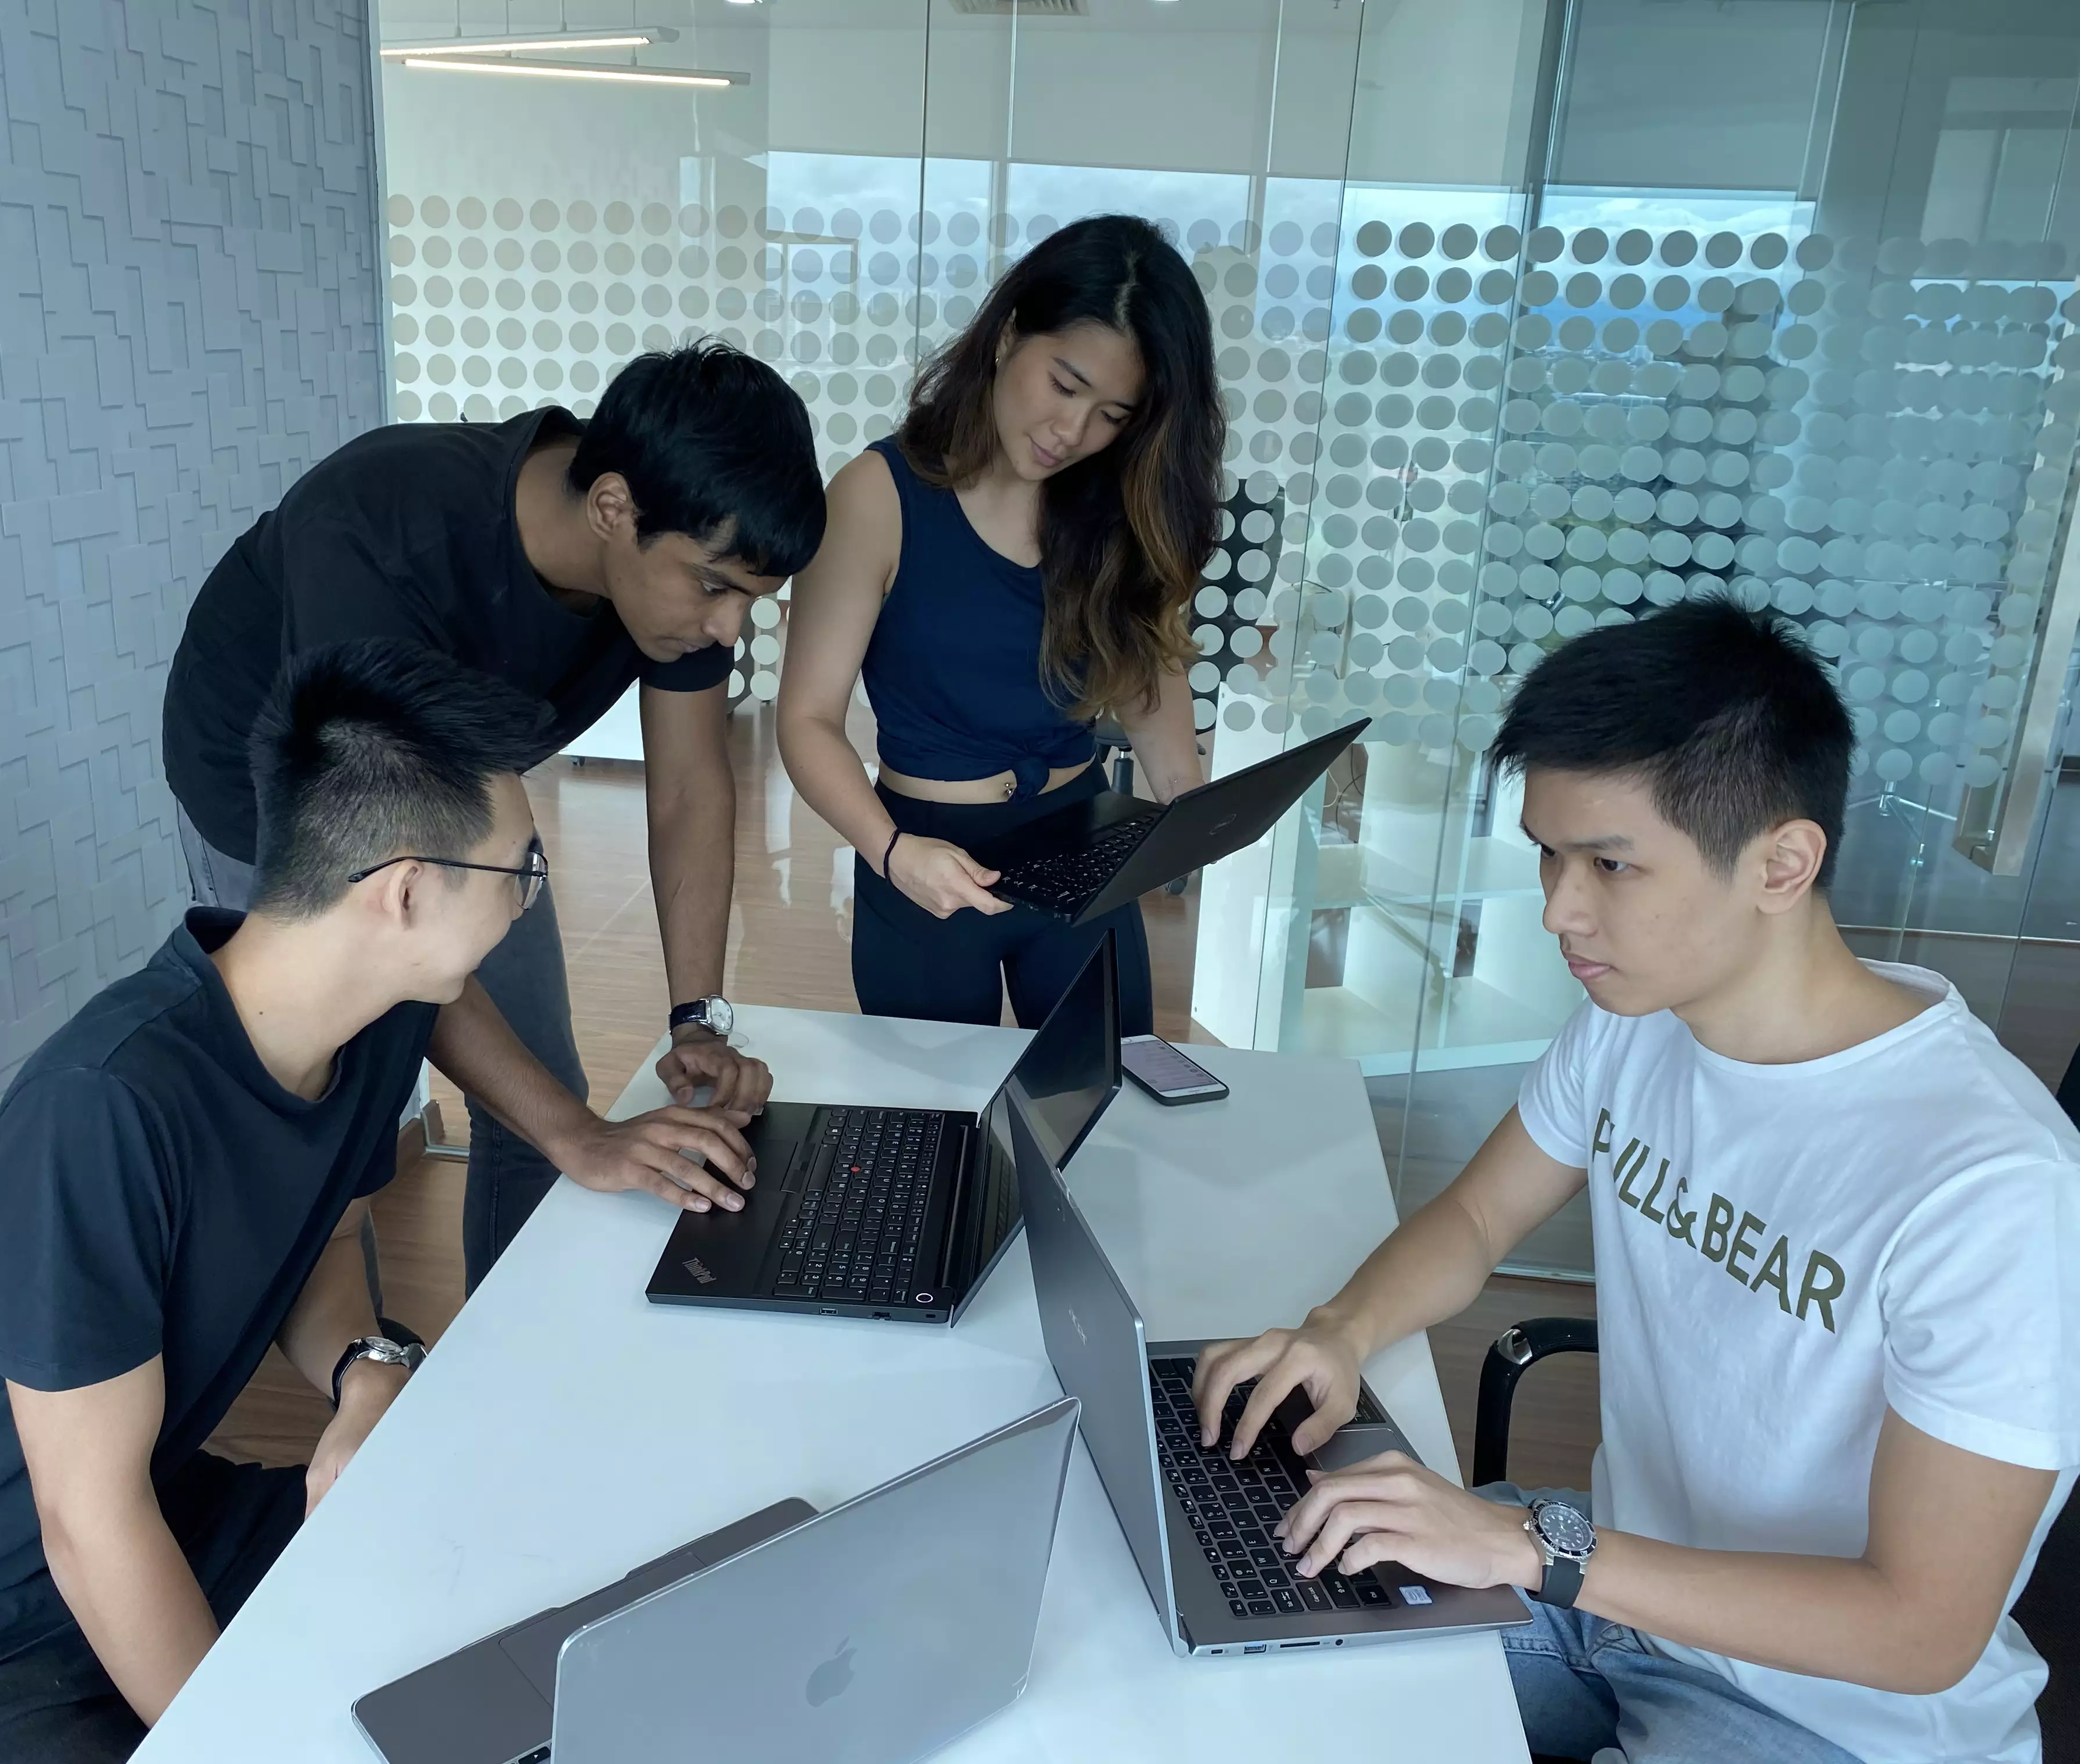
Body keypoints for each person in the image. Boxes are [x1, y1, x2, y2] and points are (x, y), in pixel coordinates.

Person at [0, 640, 761, 1762]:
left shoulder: (375, 1022)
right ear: (408, 890)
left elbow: (318, 1244)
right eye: (522, 870)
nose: (531, 901)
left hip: (160, 1524)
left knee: (523, 1562)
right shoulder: (106, 1107)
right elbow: (83, 1527)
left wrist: (366, 1372)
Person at [1192, 598, 2080, 1764]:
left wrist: (1536, 1553)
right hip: (1610, 1602)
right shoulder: (1641, 1023)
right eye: (1550, 857)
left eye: (1610, 864)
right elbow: (1475, 1216)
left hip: (1826, 1718)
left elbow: (1921, 1630)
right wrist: (1340, 1333)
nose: (1560, 910)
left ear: (1784, 863)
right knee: (1238, 1657)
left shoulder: (1990, 1185)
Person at [162, 344, 825, 1293]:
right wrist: (581, 1139)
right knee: (324, 1117)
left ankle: (508, 1363)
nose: (731, 630)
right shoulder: (383, 534)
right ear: (613, 508)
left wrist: (697, 1023)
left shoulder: (670, 573)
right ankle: (352, 1380)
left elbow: (689, 787)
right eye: (718, 587)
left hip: (457, 786)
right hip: (274, 789)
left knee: (543, 1092)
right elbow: (390, 894)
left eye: (752, 601)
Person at [778, 215, 1225, 1035]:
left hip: (1080, 838)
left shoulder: (1124, 510)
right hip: (925, 853)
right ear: (1009, 334)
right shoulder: (878, 497)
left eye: (1113, 414)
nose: (1072, 433)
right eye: (1064, 384)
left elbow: (1152, 676)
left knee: (1107, 1113)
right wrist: (889, 850)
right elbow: (806, 720)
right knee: (936, 1134)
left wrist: (1189, 798)